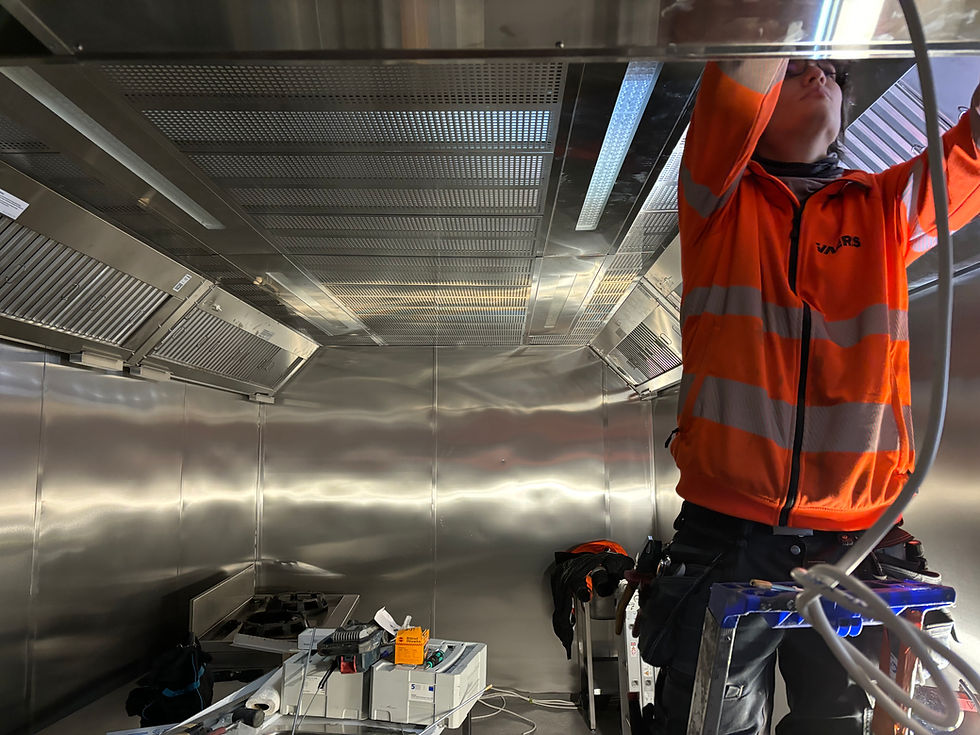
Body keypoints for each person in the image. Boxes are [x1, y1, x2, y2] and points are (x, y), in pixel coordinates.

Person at [636, 55, 980, 735]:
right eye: (795, 69)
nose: (817, 76)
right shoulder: (719, 202)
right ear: (760, 108)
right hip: (729, 533)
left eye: (828, 70)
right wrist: (778, 31)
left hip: (857, 540)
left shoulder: (884, 209)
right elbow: (735, 79)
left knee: (837, 725)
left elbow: (968, 162)